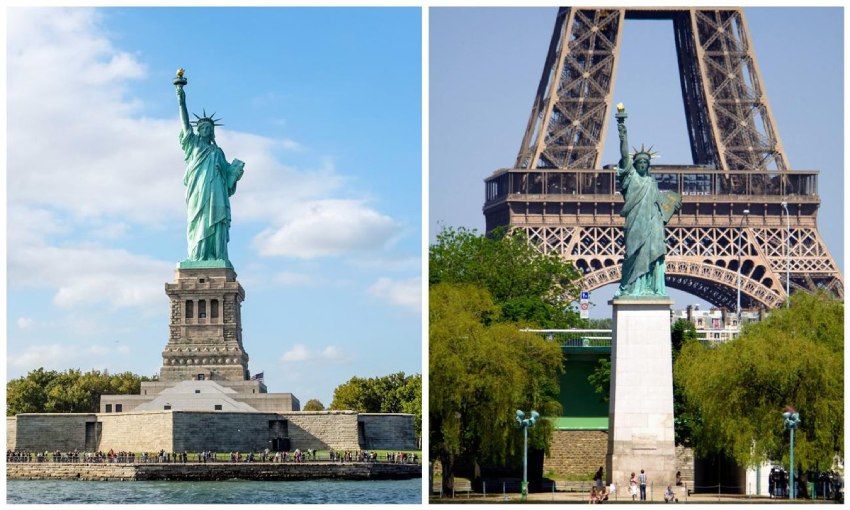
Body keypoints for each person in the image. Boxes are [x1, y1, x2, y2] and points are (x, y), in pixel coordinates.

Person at [174, 71, 245, 264]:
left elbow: (228, 177)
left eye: (209, 128)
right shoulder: (193, 145)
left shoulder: (218, 152)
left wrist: (235, 172)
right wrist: (181, 100)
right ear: (198, 130)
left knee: (216, 220)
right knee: (198, 221)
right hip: (198, 191)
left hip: (216, 192)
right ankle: (198, 256)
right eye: (203, 127)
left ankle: (216, 255)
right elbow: (184, 124)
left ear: (212, 132)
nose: (206, 130)